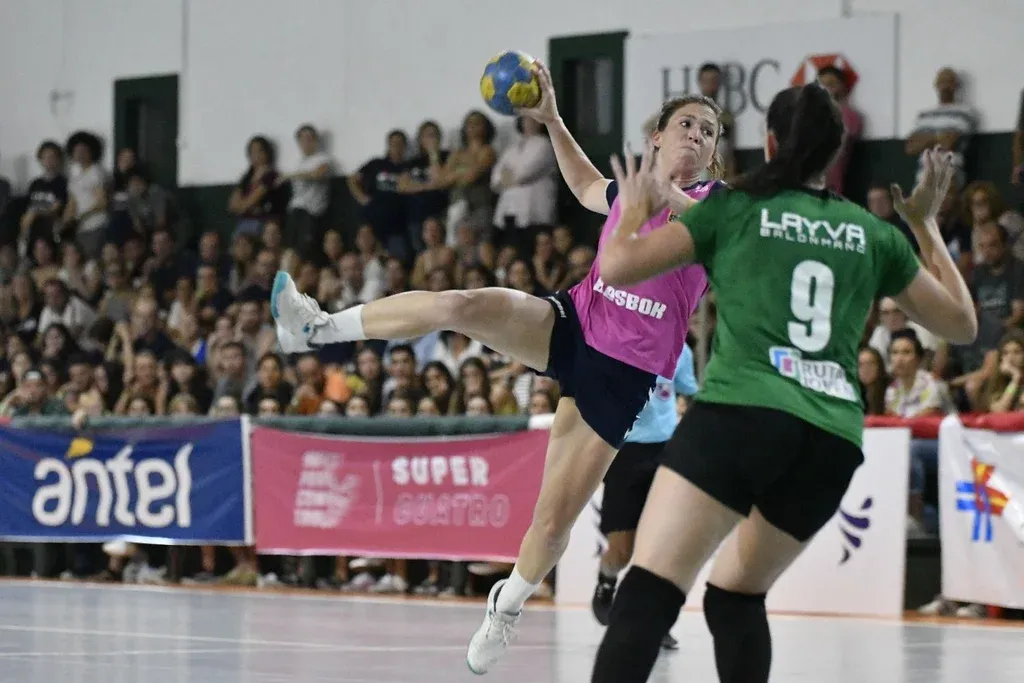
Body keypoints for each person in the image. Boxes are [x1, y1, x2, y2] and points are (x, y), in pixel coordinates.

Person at [271, 59, 725, 675]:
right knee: (459, 304)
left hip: (621, 378)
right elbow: (586, 186)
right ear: (658, 137)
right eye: (687, 125)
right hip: (573, 323)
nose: (696, 135)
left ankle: (506, 604)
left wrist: (662, 195)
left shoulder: (719, 208)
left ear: (713, 155)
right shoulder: (630, 192)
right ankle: (316, 328)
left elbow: (699, 225)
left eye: (708, 132)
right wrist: (553, 120)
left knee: (552, 525)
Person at [587, 84, 976, 683]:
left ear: (769, 143)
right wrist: (923, 225)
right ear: (835, 153)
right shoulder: (871, 233)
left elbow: (616, 268)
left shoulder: (735, 209)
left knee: (648, 591)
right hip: (830, 440)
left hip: (740, 416)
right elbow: (962, 324)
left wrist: (634, 212)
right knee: (735, 596)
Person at [591, 344, 699, 651]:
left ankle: (656, 623)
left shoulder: (680, 350)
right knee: (622, 551)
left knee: (662, 546)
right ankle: (606, 580)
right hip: (624, 450)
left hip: (665, 450)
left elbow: (690, 391)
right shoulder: (618, 340)